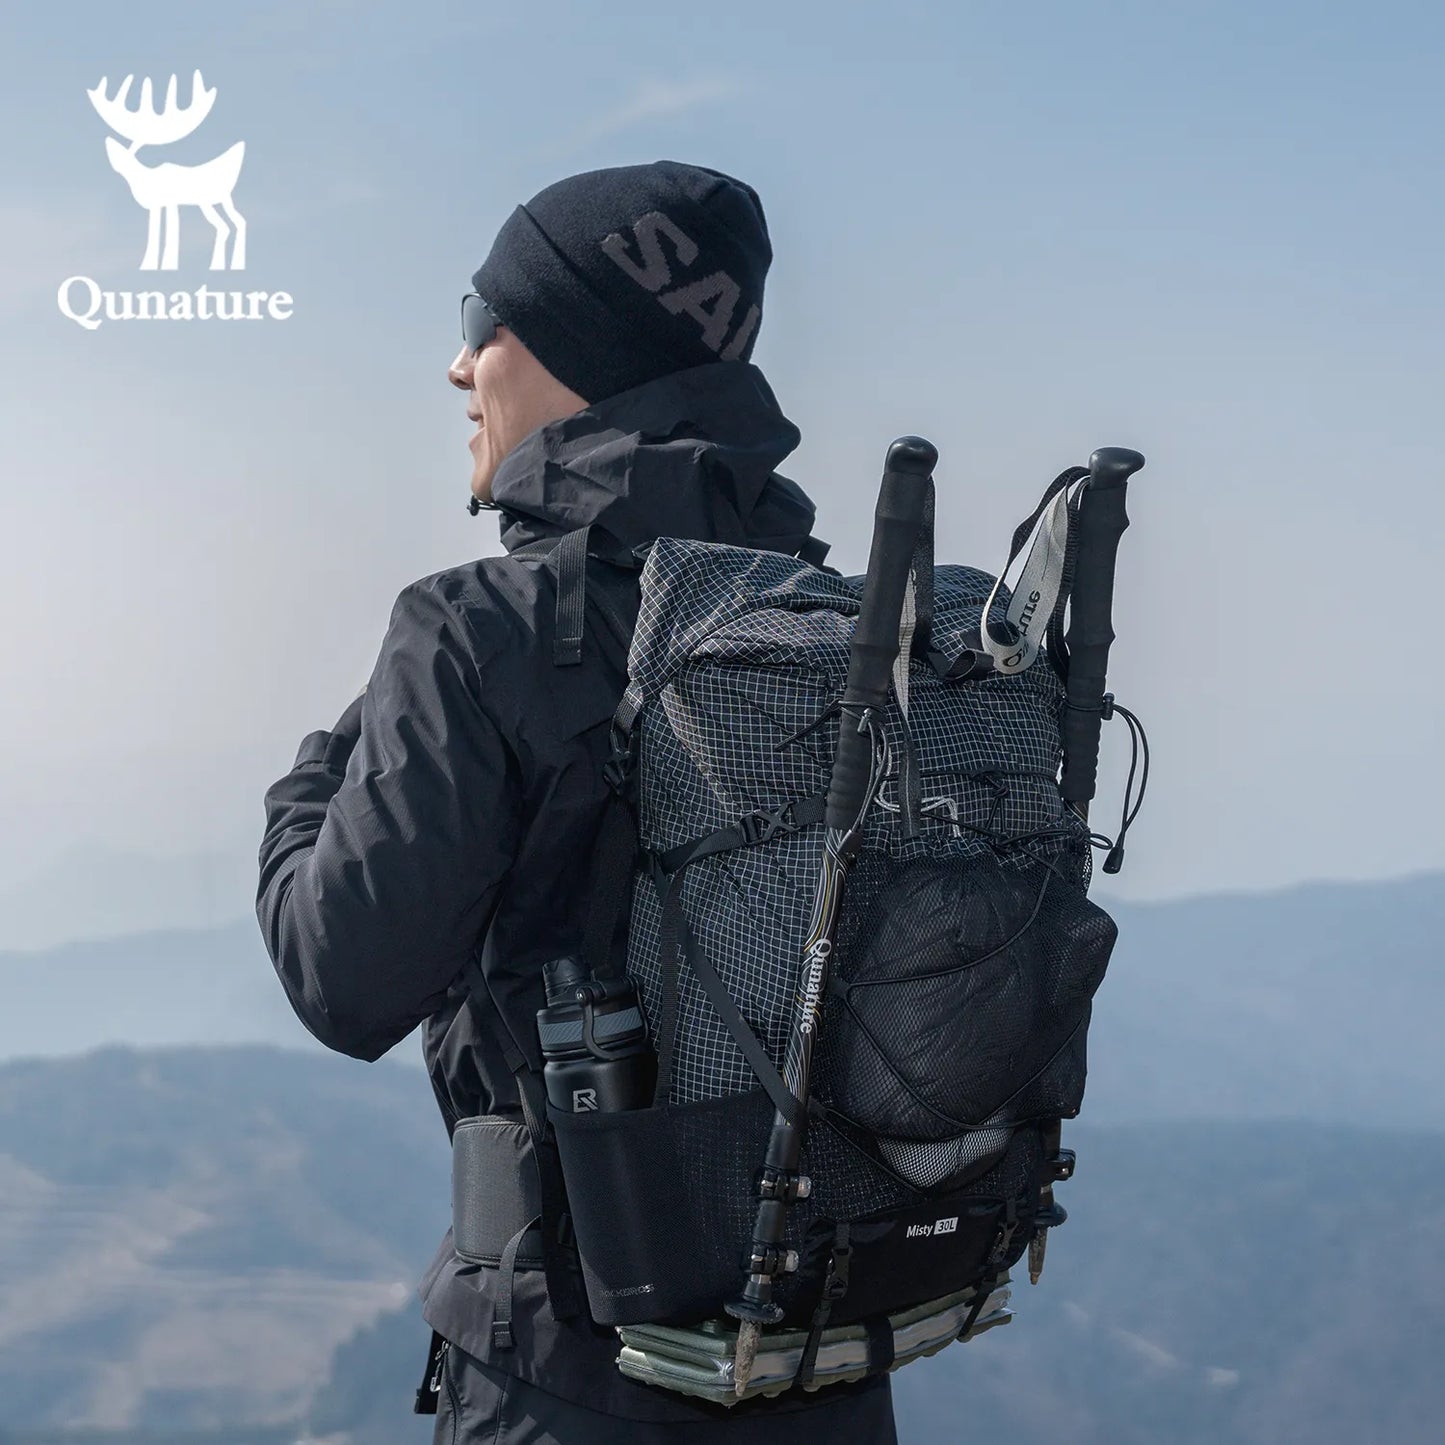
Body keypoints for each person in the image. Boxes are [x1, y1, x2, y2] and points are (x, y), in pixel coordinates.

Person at [256, 161, 899, 1443]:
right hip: (823, 1364)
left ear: (559, 347)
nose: (457, 369)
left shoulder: (478, 633)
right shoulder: (842, 622)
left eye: (474, 321)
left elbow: (342, 980)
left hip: (569, 1377)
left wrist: (309, 783)